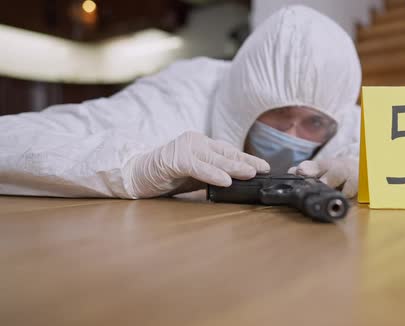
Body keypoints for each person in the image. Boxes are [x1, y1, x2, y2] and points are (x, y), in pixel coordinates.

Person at [0, 5, 361, 199]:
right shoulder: (174, 101)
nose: (292, 135)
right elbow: (10, 139)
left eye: (313, 123)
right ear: (244, 102)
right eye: (279, 114)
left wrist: (376, 176)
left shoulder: (344, 123)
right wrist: (131, 169)